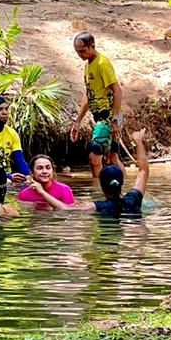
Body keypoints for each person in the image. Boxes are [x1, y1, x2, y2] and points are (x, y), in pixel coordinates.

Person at [68, 32, 124, 174]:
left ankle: (98, 193)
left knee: (94, 159)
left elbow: (117, 89)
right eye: (77, 52)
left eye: (83, 51)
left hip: (107, 118)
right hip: (100, 116)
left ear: (92, 46)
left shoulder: (102, 63)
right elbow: (89, 93)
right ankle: (124, 193)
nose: (80, 55)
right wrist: (78, 121)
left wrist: (116, 118)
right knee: (113, 159)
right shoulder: (88, 65)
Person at [75, 129, 149, 217]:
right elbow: (144, 170)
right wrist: (138, 140)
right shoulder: (133, 199)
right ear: (121, 183)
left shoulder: (98, 206)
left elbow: (64, 208)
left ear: (102, 185)